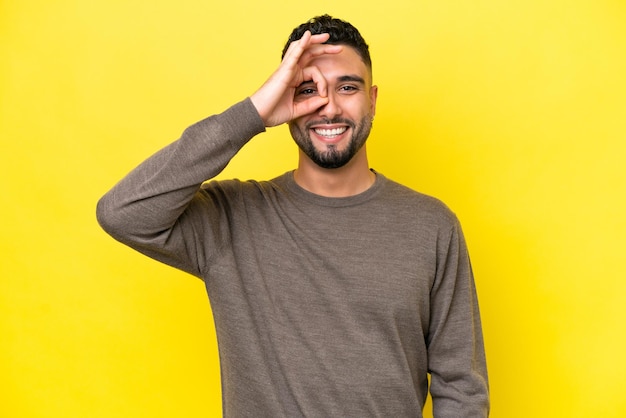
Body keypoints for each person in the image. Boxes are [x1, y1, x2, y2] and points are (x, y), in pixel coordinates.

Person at [97, 14, 489, 417]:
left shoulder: (432, 226)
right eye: (307, 89)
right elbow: (122, 212)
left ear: (372, 99)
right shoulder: (231, 219)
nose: (329, 107)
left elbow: (461, 388)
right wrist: (252, 114)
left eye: (347, 88)